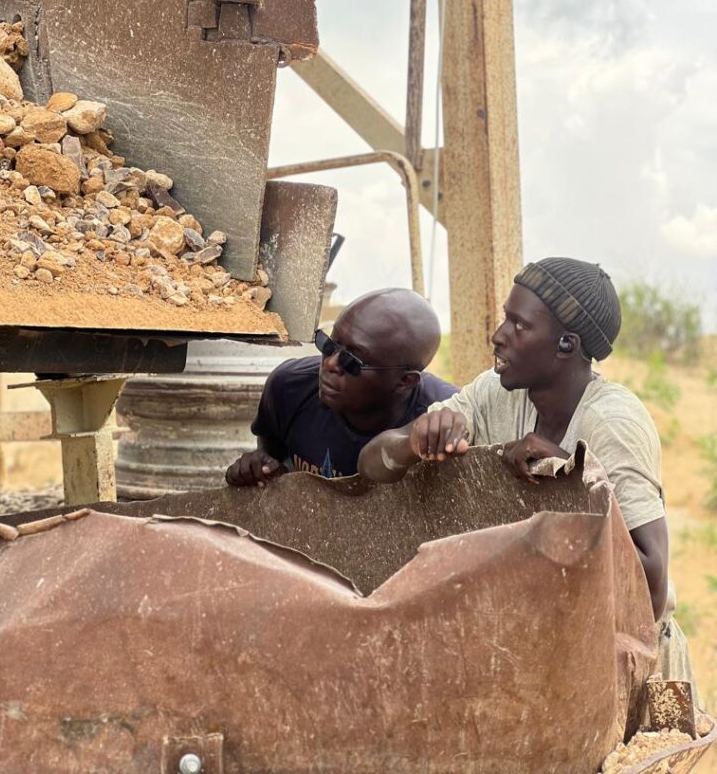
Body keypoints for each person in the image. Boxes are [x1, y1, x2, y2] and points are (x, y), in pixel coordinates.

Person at [358, 257, 694, 687]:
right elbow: (371, 465)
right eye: (506, 318)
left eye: (519, 325)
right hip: (553, 651)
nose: (499, 335)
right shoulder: (495, 393)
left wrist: (572, 478)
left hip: (631, 666)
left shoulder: (612, 424)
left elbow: (651, 590)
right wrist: (414, 439)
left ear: (566, 345)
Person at [225, 288, 457, 487]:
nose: (330, 363)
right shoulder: (290, 387)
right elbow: (271, 454)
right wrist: (261, 468)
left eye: (351, 361)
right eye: (328, 345)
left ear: (405, 381)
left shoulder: (441, 421)